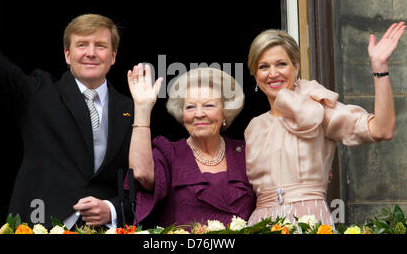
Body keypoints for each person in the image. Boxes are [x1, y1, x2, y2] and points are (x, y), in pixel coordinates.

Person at [0, 0, 134, 229]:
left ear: (113, 56)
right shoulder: (38, 92)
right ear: (67, 54)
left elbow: (140, 180)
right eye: (82, 45)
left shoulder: (130, 108)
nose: (91, 53)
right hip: (37, 224)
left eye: (100, 45)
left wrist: (111, 208)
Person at [244, 24, 405, 227]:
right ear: (255, 74)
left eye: (281, 64)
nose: (273, 73)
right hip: (262, 224)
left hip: (309, 220)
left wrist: (379, 66)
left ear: (296, 66)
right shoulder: (253, 127)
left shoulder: (317, 108)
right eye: (263, 66)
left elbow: (382, 129)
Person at [127, 64, 256, 228]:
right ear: (182, 114)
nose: (199, 113)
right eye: (190, 106)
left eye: (209, 105)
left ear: (225, 111)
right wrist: (142, 109)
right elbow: (141, 174)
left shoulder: (245, 152)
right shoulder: (169, 153)